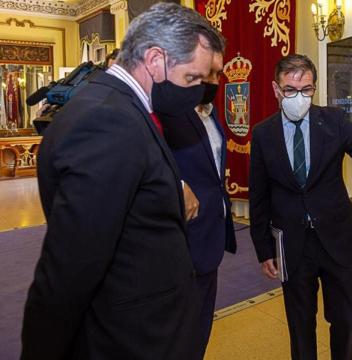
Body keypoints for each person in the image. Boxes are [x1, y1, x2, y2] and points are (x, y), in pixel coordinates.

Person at [21, 3, 223, 359]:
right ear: (156, 60)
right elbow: (70, 269)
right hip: (130, 338)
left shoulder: (126, 109)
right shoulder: (106, 120)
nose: (197, 90)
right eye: (192, 78)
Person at [249, 54, 352, 360]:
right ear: (276, 89)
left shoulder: (335, 121)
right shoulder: (263, 134)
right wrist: (263, 249)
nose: (299, 98)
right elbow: (258, 196)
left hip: (336, 240)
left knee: (344, 318)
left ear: (315, 88)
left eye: (307, 90)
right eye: (290, 90)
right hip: (292, 243)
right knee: (300, 324)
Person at [158, 52, 237, 358]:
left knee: (201, 327)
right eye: (211, 74)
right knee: (178, 334)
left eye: (219, 74)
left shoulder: (210, 112)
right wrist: (175, 184)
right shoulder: (167, 112)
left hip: (210, 238)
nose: (216, 81)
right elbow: (144, 159)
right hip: (180, 240)